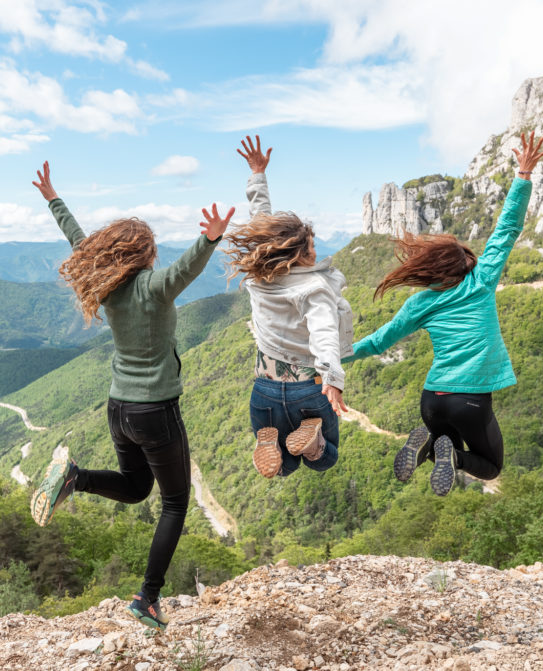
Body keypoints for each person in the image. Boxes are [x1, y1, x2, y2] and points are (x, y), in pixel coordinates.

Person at [28, 161, 234, 631]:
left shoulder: (107, 286)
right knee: (176, 503)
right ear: (145, 253)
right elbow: (187, 268)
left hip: (117, 408)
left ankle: (74, 478)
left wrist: (53, 200)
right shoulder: (154, 287)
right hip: (155, 412)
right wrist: (211, 238)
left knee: (138, 487)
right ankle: (148, 597)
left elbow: (78, 243)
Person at [343, 132, 543, 496]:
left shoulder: (420, 303)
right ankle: (444, 452)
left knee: (445, 446)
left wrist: (334, 358)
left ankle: (428, 445)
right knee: (490, 466)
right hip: (469, 400)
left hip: (432, 400)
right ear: (465, 264)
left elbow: (377, 342)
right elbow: (506, 230)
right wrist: (523, 176)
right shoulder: (481, 281)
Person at [224, 135, 354, 479]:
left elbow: (259, 224)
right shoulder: (315, 287)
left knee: (282, 468)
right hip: (307, 389)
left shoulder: (259, 278)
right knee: (325, 459)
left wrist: (257, 176)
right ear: (301, 255)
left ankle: (270, 445)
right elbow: (324, 330)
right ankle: (312, 444)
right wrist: (333, 376)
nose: (316, 251)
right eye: (311, 247)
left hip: (264, 388)